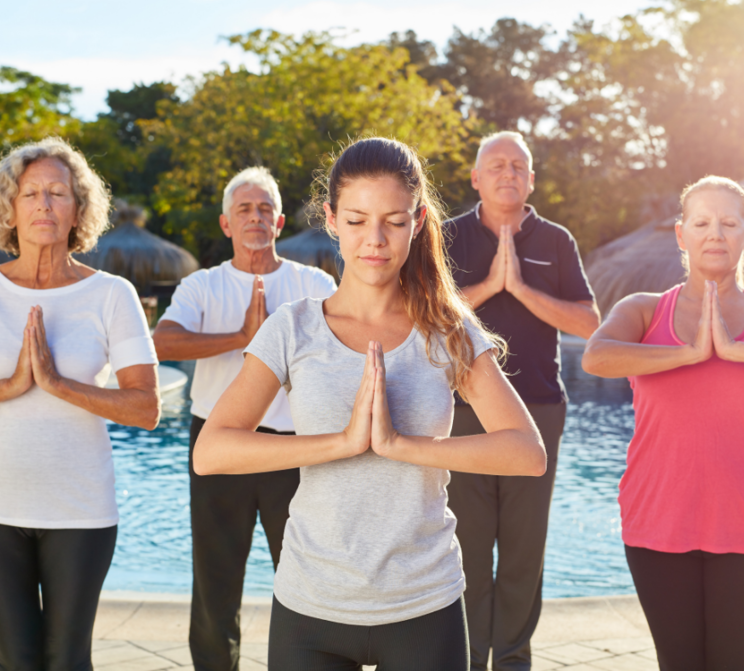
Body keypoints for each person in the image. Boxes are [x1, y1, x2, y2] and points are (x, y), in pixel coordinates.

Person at [193, 137, 547, 671]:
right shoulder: (293, 328)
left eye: (394, 221)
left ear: (419, 220)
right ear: (332, 219)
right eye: (357, 221)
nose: (375, 241)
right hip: (311, 605)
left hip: (423, 603)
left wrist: (401, 446)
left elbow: (527, 452)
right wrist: (341, 444)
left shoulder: (447, 331)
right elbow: (211, 451)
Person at [582, 176, 744, 671]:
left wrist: (735, 350)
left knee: (736, 663)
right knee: (679, 664)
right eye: (701, 222)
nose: (715, 233)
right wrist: (690, 352)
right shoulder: (644, 309)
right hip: (659, 522)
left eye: (729, 223)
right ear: (681, 234)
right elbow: (596, 357)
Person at [0, 137, 160, 671]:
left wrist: (59, 385)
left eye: (58, 193)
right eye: (31, 192)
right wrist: (12, 385)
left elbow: (146, 407)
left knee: (66, 661)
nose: (43, 204)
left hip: (80, 512)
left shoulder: (112, 295)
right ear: (9, 209)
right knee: (17, 659)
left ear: (78, 209)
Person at [152, 166, 337, 671]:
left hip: (294, 449)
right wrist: (241, 337)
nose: (254, 217)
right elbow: (162, 343)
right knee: (215, 580)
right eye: (243, 209)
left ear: (278, 221)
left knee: (305, 576)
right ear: (226, 223)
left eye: (263, 209)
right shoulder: (202, 286)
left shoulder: (313, 283)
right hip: (219, 447)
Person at [445, 130, 601, 671]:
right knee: (465, 546)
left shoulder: (556, 240)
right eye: (496, 165)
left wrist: (525, 291)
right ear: (476, 178)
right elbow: (427, 315)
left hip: (538, 410)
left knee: (522, 551)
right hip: (463, 412)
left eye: (518, 165)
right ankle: (464, 660)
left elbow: (588, 323)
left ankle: (512, 661)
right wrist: (491, 285)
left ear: (531, 178)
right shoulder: (447, 236)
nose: (507, 173)